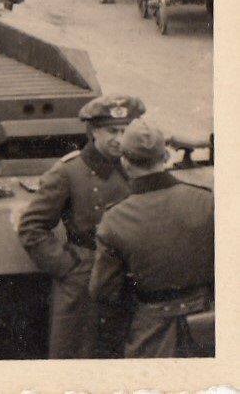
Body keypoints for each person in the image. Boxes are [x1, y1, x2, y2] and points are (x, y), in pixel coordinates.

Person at [17, 94, 145, 358]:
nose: (119, 139)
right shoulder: (68, 172)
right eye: (111, 131)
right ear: (93, 132)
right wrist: (68, 267)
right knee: (77, 355)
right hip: (86, 279)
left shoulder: (139, 167)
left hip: (133, 275)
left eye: (126, 131)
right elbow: (32, 227)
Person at [89, 119, 214, 358]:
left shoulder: (115, 218)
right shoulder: (206, 200)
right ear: (165, 156)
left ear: (125, 162)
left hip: (150, 329)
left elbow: (102, 291)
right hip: (207, 321)